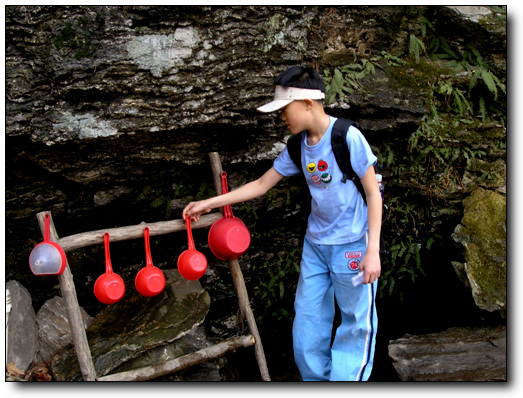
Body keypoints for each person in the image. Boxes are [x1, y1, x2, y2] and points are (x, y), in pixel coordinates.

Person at [183, 66, 381, 381]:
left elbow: (373, 194)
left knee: (356, 324)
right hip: (316, 246)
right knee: (307, 321)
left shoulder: (347, 136)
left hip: (352, 246)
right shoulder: (297, 146)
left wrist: (373, 251)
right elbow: (261, 185)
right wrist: (211, 203)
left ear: (307, 103)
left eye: (284, 109)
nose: (281, 118)